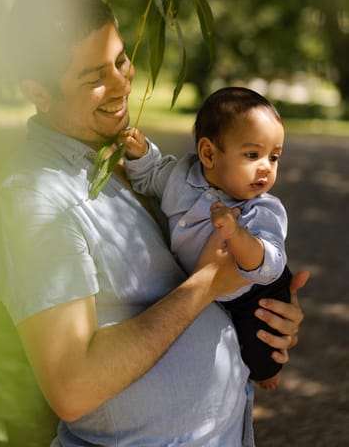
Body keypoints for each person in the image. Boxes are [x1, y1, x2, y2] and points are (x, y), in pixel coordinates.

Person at [0, 0, 309, 447]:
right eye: (94, 76)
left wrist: (266, 313)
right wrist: (206, 285)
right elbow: (73, 387)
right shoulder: (34, 202)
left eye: (120, 60)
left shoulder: (127, 163)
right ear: (39, 92)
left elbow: (195, 274)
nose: (120, 84)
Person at [119, 86, 291, 390]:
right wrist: (141, 153)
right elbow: (150, 176)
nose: (266, 166)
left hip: (252, 293)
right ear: (208, 154)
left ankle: (268, 375)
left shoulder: (261, 209)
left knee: (262, 348)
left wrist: (237, 235)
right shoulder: (180, 177)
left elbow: (269, 266)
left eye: (274, 157)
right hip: (206, 286)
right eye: (253, 154)